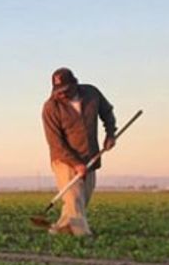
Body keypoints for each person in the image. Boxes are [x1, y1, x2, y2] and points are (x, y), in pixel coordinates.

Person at [41, 68, 116, 236]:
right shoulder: (50, 107)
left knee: (80, 201)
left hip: (90, 156)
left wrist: (111, 134)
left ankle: (60, 229)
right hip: (64, 160)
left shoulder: (91, 93)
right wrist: (75, 164)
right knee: (74, 198)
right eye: (58, 91)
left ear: (75, 84)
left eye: (65, 90)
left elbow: (107, 112)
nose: (62, 94)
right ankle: (83, 235)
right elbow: (55, 143)